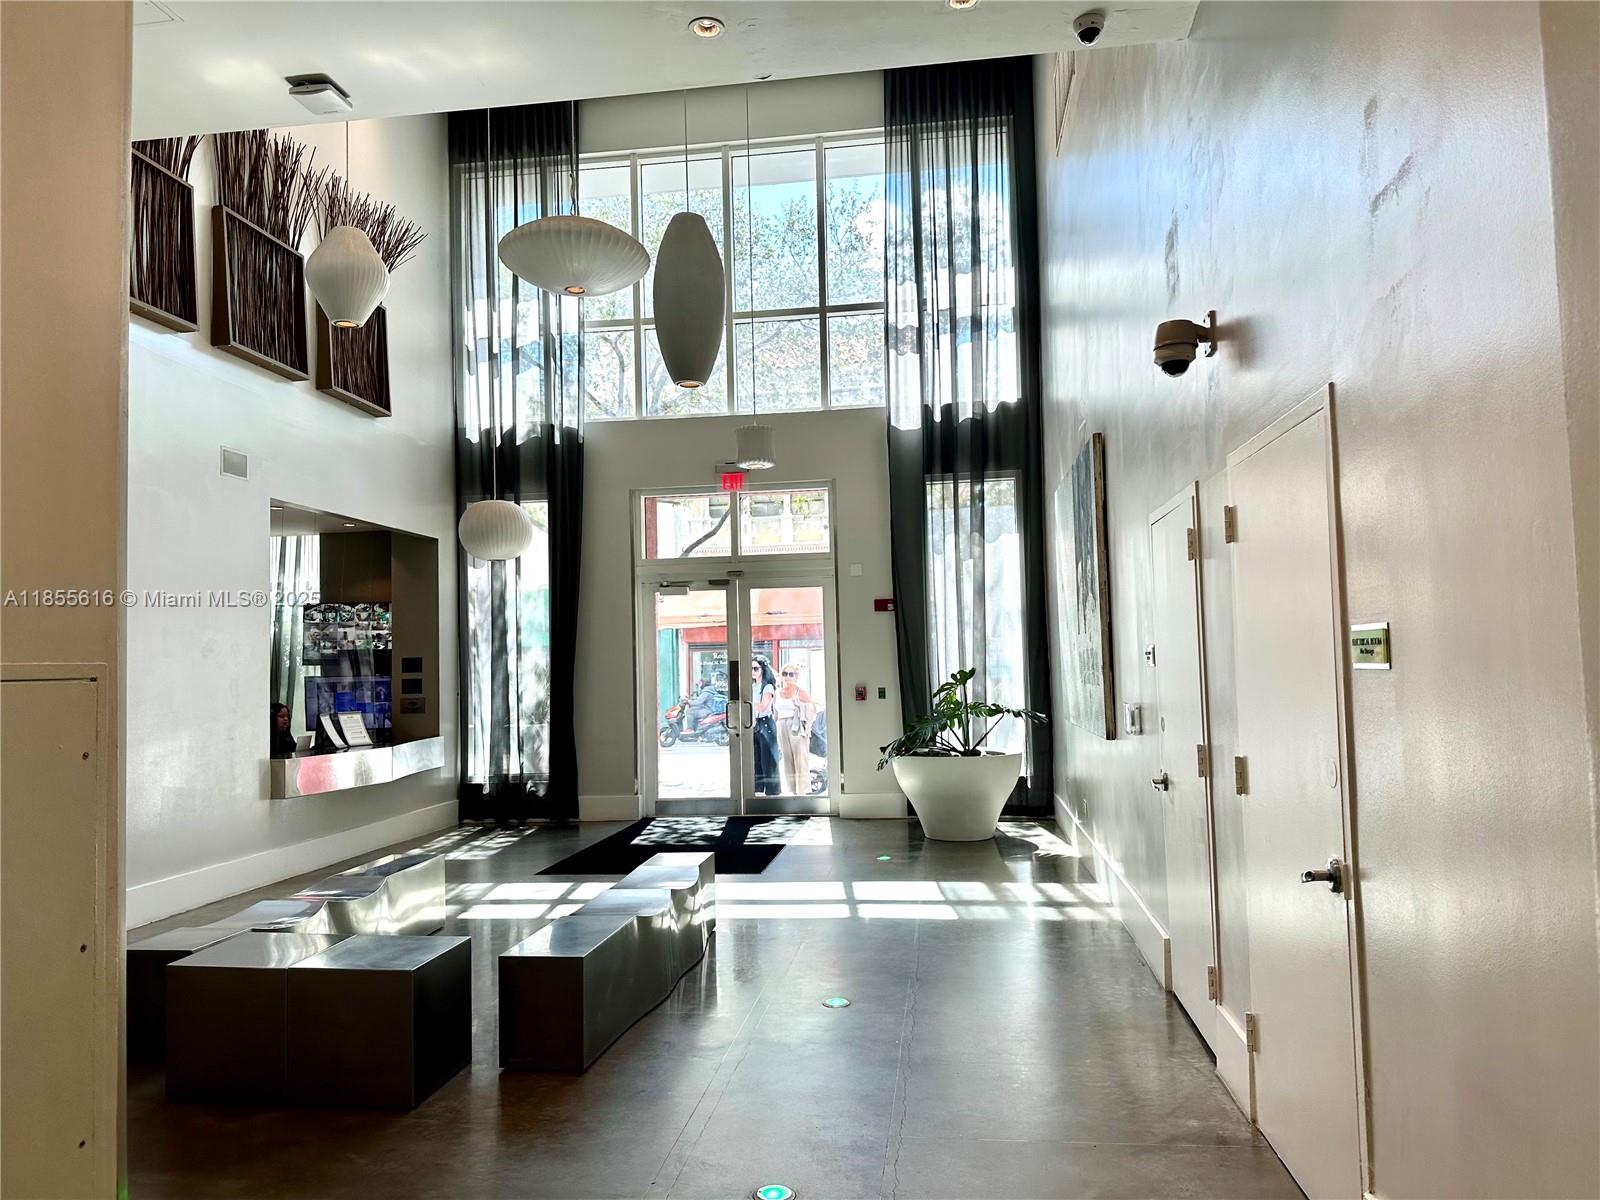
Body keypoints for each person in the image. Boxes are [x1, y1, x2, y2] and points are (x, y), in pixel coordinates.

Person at [773, 662, 816, 795]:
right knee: (787, 758)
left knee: (800, 758)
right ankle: (792, 790)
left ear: (796, 676)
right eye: (785, 674)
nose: (788, 677)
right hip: (781, 725)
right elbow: (775, 713)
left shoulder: (800, 691)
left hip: (795, 724)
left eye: (791, 674)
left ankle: (803, 790)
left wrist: (800, 704)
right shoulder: (777, 692)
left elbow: (813, 709)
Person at [751, 659, 780, 795]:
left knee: (768, 758)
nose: (753, 671)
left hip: (766, 722)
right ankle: (758, 787)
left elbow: (763, 706)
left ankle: (772, 789)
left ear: (763, 669)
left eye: (756, 668)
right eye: (751, 669)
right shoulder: (753, 686)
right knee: (757, 757)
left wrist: (750, 703)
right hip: (755, 722)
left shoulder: (767, 687)